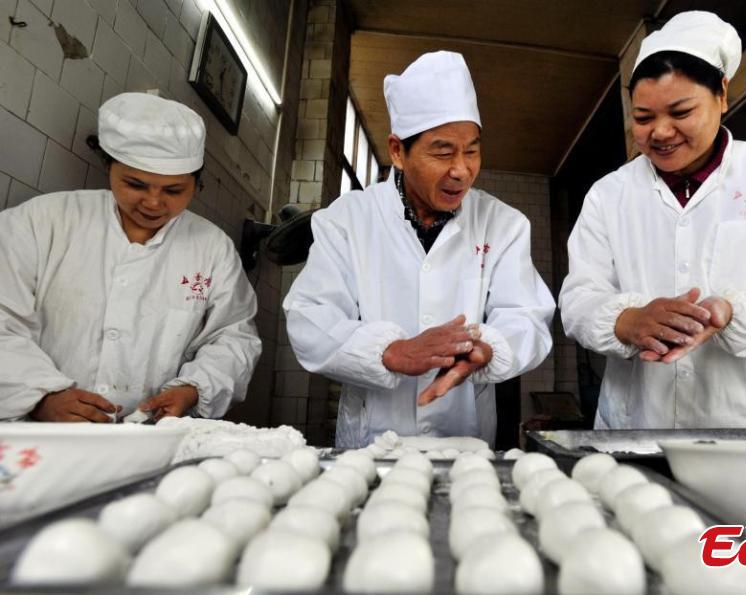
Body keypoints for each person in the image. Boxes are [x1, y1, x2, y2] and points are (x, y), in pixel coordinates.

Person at [559, 11, 746, 429]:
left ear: (722, 94)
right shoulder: (609, 195)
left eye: (680, 112)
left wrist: (731, 312)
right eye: (643, 118)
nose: (661, 132)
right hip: (636, 427)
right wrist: (626, 320)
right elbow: (578, 299)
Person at [283, 51, 554, 448]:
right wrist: (389, 351)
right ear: (397, 150)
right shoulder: (348, 219)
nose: (461, 170)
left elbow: (528, 317)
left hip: (464, 438)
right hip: (371, 441)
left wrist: (488, 347)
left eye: (472, 150)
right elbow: (310, 318)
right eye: (443, 152)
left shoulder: (504, 224)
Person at [0, 92, 262, 422]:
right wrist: (40, 395)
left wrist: (194, 389)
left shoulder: (211, 247)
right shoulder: (40, 222)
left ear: (196, 184)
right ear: (109, 167)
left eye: (173, 191)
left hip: (148, 437)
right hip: (37, 435)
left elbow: (233, 336)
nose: (153, 203)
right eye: (136, 184)